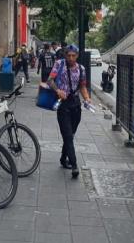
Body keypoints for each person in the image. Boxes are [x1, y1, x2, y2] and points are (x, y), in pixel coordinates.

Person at [47, 45, 92, 179]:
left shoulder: (81, 69)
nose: (71, 58)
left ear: (77, 56)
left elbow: (83, 86)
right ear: (65, 55)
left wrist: (87, 98)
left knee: (70, 134)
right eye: (69, 55)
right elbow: (50, 80)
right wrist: (58, 90)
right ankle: (74, 165)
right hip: (63, 105)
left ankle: (63, 158)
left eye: (74, 56)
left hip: (76, 105)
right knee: (67, 134)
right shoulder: (59, 64)